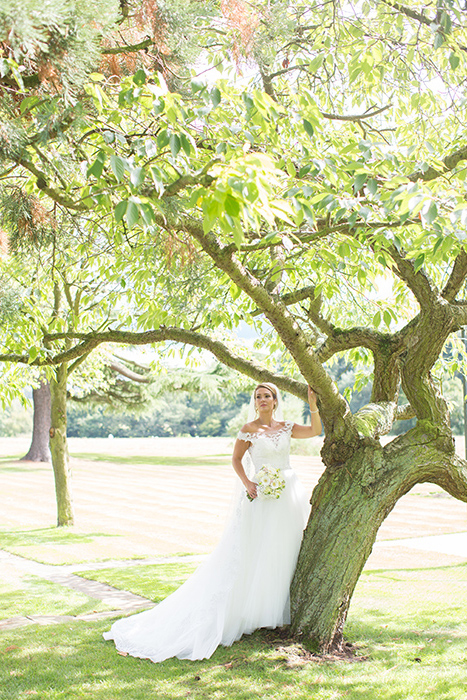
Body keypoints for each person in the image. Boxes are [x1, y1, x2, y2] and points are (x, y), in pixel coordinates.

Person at [103, 382, 321, 663]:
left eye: (267, 396)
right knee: (257, 552)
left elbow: (315, 431)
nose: (263, 399)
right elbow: (236, 459)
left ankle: (275, 613)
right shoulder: (249, 429)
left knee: (284, 549)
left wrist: (312, 404)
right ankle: (253, 613)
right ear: (254, 402)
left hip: (288, 494)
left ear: (276, 401)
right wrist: (249, 483)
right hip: (262, 495)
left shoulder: (287, 427)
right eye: (258, 396)